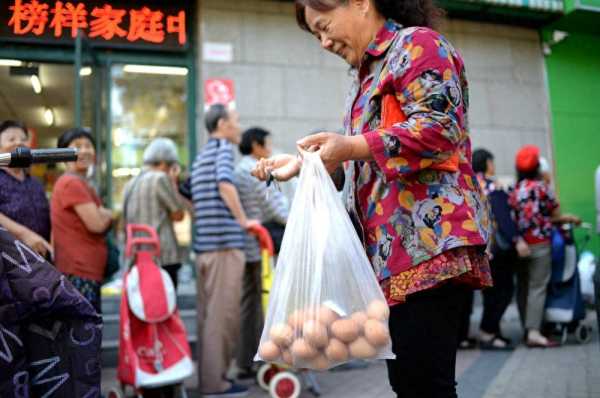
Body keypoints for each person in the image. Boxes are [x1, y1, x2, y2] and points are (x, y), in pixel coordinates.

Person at [252, 1, 493, 396]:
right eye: (317, 35)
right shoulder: (364, 78)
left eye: (325, 26)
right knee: (411, 382)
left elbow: (439, 127)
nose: (325, 42)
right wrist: (307, 165)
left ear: (362, 3)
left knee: (425, 382)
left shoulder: (418, 45)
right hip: (389, 257)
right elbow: (367, 163)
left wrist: (349, 146)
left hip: (428, 248)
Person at [191, 104, 255, 397]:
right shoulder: (224, 151)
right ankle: (216, 384)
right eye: (236, 121)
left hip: (204, 248)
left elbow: (192, 194)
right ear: (222, 123)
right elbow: (225, 185)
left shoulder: (202, 154)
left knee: (207, 318)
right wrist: (244, 221)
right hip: (224, 247)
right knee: (224, 317)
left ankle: (209, 379)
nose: (238, 127)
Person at [509, 145, 580, 348]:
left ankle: (527, 328)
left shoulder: (515, 190)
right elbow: (556, 215)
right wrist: (571, 218)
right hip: (540, 244)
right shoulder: (542, 188)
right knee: (538, 287)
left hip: (520, 245)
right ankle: (534, 332)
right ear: (537, 167)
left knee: (523, 287)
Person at [234, 127, 289, 379]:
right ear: (255, 145)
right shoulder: (256, 169)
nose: (269, 149)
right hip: (263, 247)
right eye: (266, 144)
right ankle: (267, 359)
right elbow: (277, 209)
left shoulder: (237, 169)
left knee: (249, 304)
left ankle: (246, 361)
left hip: (246, 244)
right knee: (266, 303)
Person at [51, 128, 112, 313]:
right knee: (85, 335)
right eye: (77, 146)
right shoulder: (72, 183)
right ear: (64, 154)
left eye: (88, 145)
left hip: (83, 270)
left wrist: (103, 213)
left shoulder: (81, 183)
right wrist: (108, 214)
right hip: (79, 272)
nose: (84, 150)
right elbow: (97, 224)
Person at [473, 148, 527, 350]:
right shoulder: (491, 185)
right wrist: (517, 239)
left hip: (480, 249)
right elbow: (503, 216)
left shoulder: (470, 184)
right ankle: (488, 333)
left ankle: (492, 332)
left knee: (491, 293)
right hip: (498, 249)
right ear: (487, 163)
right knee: (503, 291)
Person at [122, 138, 185, 290]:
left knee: (145, 307)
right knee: (164, 307)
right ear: (165, 163)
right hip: (163, 256)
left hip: (138, 257)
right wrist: (173, 181)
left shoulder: (130, 184)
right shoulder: (161, 178)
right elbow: (179, 215)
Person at [0, 120, 52, 258]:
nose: (19, 143)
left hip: (40, 261)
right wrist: (24, 234)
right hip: (9, 262)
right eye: (11, 139)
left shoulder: (35, 182)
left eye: (23, 139)